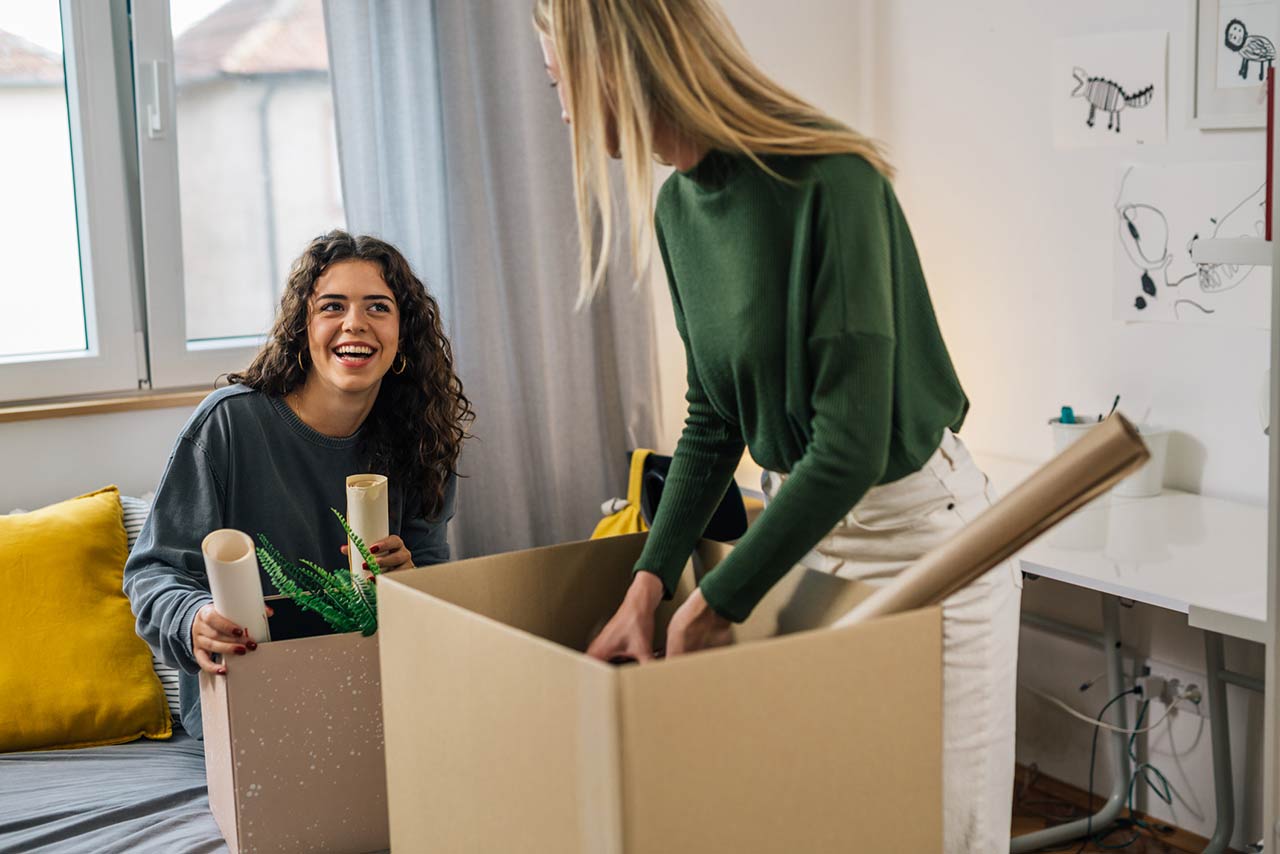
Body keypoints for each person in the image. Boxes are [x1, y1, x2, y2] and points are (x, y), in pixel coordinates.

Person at [533, 1, 1022, 850]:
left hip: (926, 543)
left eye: (562, 82)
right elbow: (713, 419)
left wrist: (718, 600)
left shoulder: (834, 180)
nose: (566, 112)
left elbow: (852, 446)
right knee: (839, 820)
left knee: (947, 833)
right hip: (807, 540)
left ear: (617, 61)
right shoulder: (679, 212)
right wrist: (649, 585)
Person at [124, 230, 473, 736]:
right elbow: (152, 573)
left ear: (403, 335)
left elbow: (434, 585)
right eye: (332, 306)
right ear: (302, 328)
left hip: (375, 694)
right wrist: (193, 617)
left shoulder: (422, 439)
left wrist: (410, 579)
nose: (355, 323)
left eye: (378, 307)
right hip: (250, 702)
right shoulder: (228, 426)